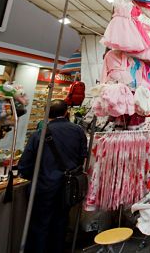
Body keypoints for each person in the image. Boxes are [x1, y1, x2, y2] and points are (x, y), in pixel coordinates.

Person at [19, 100, 88, 253]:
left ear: (47, 114)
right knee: (61, 222)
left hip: (43, 186)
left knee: (40, 225)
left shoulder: (40, 133)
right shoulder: (78, 131)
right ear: (66, 112)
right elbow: (82, 157)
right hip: (68, 186)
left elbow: (25, 164)